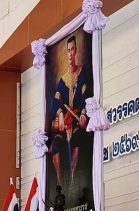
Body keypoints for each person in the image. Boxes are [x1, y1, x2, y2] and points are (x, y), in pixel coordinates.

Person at [49, 35, 93, 188]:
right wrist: (61, 114)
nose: (70, 53)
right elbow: (56, 102)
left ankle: (74, 182)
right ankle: (60, 186)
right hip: (65, 123)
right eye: (68, 50)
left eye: (72, 49)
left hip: (76, 124)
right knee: (55, 145)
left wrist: (83, 114)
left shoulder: (82, 73)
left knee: (78, 141)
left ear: (76, 51)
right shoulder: (63, 80)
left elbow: (86, 96)